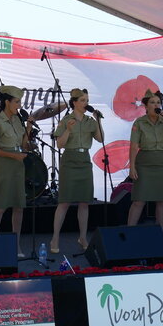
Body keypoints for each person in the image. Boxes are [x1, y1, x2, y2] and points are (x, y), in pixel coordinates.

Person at [50, 88, 103, 253]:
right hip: (70, 160)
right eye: (82, 100)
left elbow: (101, 139)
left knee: (84, 202)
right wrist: (68, 130)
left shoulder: (90, 121)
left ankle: (83, 237)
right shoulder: (66, 119)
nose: (86, 103)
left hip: (84, 160)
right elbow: (59, 144)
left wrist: (98, 121)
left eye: (87, 100)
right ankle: (55, 238)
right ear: (74, 102)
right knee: (64, 202)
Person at [0, 85, 33, 257]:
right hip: (4, 165)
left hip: (17, 165)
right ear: (7, 102)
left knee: (18, 206)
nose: (19, 105)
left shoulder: (17, 120)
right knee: (0, 205)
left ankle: (16, 245)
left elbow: (23, 145)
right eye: (16, 101)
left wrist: (28, 127)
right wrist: (14, 156)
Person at [127, 89, 163, 231]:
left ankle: (161, 238)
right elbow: (133, 146)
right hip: (144, 162)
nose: (156, 105)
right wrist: (132, 167)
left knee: (162, 201)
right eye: (152, 102)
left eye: (158, 102)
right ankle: (128, 235)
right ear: (146, 106)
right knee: (139, 200)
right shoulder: (139, 122)